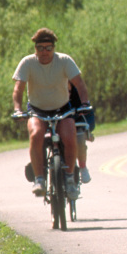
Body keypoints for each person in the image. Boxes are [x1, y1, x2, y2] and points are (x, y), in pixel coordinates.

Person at [12, 28, 91, 199]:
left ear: (54, 48)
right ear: (35, 49)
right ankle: (39, 179)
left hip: (62, 109)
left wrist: (85, 103)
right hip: (37, 110)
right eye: (40, 48)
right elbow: (18, 89)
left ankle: (70, 179)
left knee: (70, 137)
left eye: (48, 48)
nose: (44, 52)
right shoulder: (27, 63)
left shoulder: (64, 61)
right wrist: (17, 109)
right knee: (36, 134)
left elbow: (80, 84)